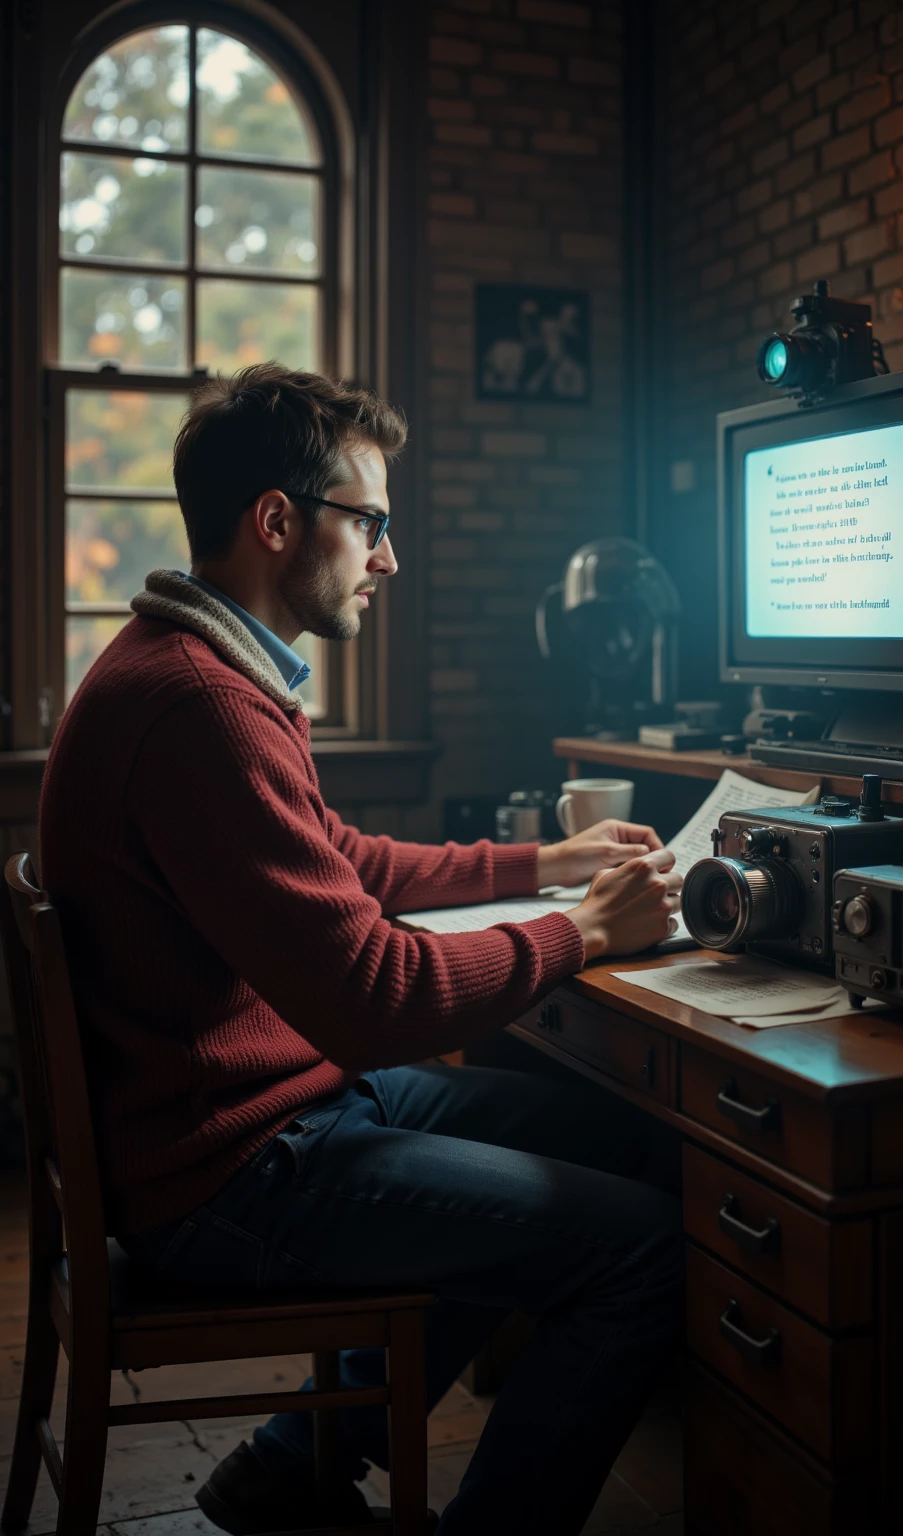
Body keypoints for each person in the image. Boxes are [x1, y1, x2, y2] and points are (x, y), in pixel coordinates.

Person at [38, 364, 685, 1536]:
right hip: (230, 1173)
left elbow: (344, 860)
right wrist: (584, 932)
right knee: (636, 1251)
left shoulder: (194, 667)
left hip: (260, 1114)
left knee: (626, 1146)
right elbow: (377, 998)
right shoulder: (199, 708)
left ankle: (293, 1463)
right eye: (371, 522)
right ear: (277, 521)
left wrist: (544, 866)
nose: (386, 557)